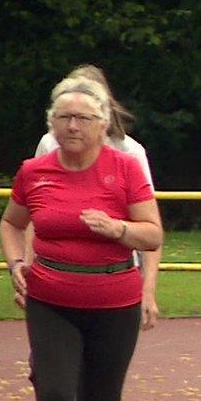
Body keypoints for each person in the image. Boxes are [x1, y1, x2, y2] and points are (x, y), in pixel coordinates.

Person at [0, 76, 162, 401]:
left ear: (102, 124)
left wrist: (118, 228)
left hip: (114, 302)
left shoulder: (124, 167)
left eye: (82, 118)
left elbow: (152, 234)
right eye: (63, 117)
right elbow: (11, 223)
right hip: (51, 299)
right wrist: (17, 262)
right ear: (51, 123)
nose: (72, 126)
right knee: (53, 396)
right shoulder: (34, 172)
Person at [30, 64, 161, 329]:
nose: (73, 123)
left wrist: (148, 291)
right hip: (54, 282)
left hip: (113, 278)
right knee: (52, 365)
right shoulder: (49, 145)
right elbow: (32, 214)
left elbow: (150, 227)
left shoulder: (129, 153)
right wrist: (24, 267)